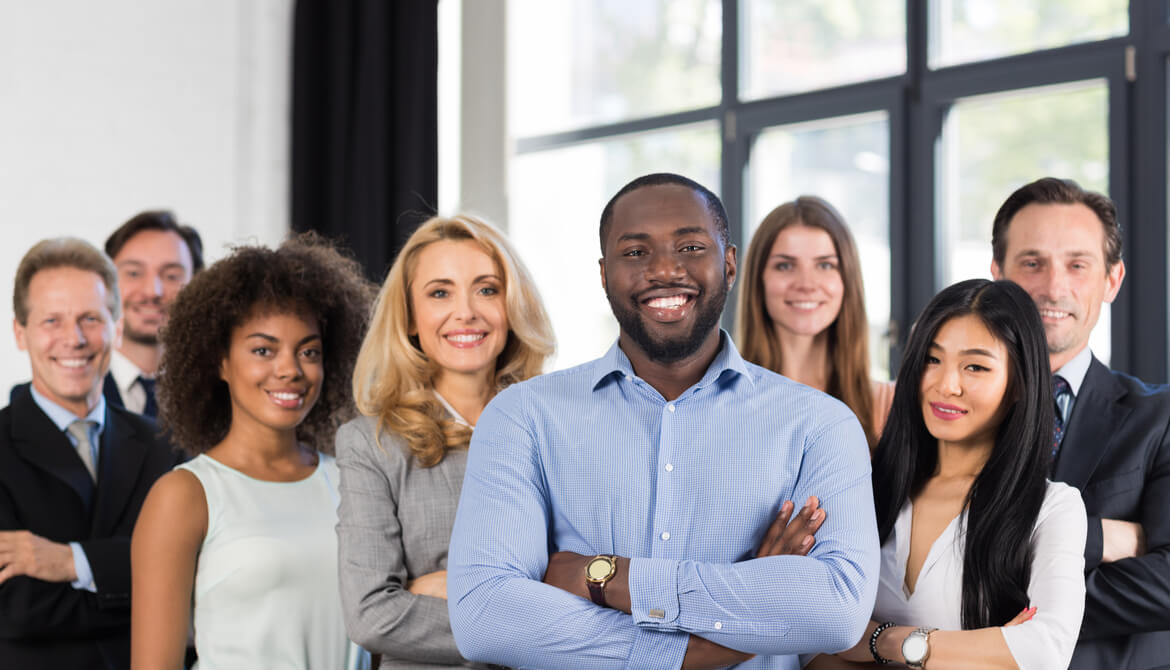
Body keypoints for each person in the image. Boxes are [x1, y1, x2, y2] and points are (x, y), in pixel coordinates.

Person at [448, 173, 879, 669]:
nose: (666, 270)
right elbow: (484, 615)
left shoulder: (820, 425)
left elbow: (838, 609)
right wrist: (739, 609)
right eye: (635, 253)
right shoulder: (522, 417)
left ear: (730, 264)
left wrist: (607, 578)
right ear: (604, 273)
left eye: (692, 247)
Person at [808, 279, 1087, 669]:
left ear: (1020, 383)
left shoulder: (1053, 508)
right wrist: (985, 647)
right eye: (932, 360)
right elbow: (810, 640)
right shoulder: (864, 485)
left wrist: (881, 640)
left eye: (975, 366)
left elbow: (1045, 650)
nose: (945, 385)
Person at [129, 234, 375, 669]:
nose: (290, 370)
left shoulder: (352, 482)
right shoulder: (184, 496)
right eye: (263, 349)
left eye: (309, 351)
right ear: (220, 361)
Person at [335, 214, 555, 668]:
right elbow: (372, 616)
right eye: (440, 293)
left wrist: (455, 589)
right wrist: (533, 619)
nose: (466, 311)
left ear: (512, 305)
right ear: (411, 318)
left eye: (487, 289)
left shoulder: (556, 429)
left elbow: (598, 577)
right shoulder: (371, 444)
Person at [990, 177, 1170, 669]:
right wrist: (1108, 541)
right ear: (997, 275)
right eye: (1032, 263)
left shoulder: (1161, 418)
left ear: (1111, 280)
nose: (1053, 287)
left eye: (1077, 265)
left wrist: (996, 595)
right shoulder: (946, 408)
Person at [0, 238, 177, 669]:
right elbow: (16, 609)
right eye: (51, 321)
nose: (73, 339)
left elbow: (189, 573)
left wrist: (70, 561)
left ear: (116, 329)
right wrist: (139, 581)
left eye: (90, 319)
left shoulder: (164, 446)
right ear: (20, 333)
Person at [736, 196, 893, 448]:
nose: (806, 284)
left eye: (825, 265)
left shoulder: (890, 405)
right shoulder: (720, 405)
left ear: (847, 280)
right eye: (785, 265)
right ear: (759, 280)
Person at [104, 210, 204, 417]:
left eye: (172, 276)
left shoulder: (217, 395)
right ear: (105, 282)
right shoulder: (73, 389)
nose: (153, 292)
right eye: (133, 273)